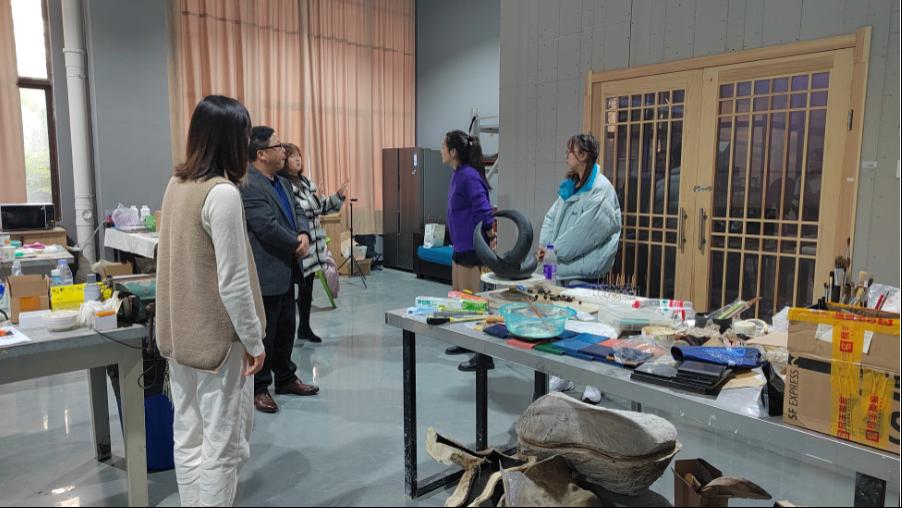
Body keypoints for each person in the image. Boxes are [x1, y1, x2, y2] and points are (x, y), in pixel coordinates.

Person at [157, 95, 267, 507]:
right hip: (219, 343)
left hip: (179, 337)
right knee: (222, 446)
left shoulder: (176, 185)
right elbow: (234, 282)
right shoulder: (223, 194)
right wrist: (254, 341)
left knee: (188, 438)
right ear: (231, 140)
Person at [538, 133, 621, 404]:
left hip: (583, 271)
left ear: (583, 156)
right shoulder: (570, 186)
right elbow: (551, 218)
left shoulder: (601, 190)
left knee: (589, 328)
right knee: (561, 323)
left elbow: (585, 233)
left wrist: (553, 251)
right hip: (559, 267)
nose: (567, 155)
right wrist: (545, 249)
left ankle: (594, 381)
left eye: (571, 151)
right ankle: (565, 374)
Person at [242, 126, 319, 414]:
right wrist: (295, 243)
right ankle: (260, 387)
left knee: (286, 328)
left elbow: (299, 211)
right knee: (266, 332)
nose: (284, 151)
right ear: (261, 154)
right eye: (278, 147)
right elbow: (266, 226)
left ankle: (285, 377)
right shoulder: (248, 185)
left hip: (287, 267)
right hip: (267, 270)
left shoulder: (283, 182)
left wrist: (304, 234)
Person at [278, 142, 348, 343]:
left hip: (313, 247)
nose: (298, 159)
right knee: (290, 293)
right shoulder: (283, 184)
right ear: (284, 160)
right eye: (293, 156)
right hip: (298, 245)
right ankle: (287, 336)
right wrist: (316, 201)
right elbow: (299, 210)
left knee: (307, 290)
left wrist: (337, 196)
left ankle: (305, 327)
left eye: (299, 155)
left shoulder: (307, 182)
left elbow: (322, 207)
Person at [441, 130, 496, 372]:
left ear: (453, 151)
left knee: (475, 303)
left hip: (472, 249)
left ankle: (484, 356)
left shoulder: (469, 176)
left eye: (444, 146)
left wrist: (490, 236)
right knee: (461, 301)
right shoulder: (458, 174)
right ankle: (467, 342)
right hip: (460, 247)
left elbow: (483, 209)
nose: (441, 150)